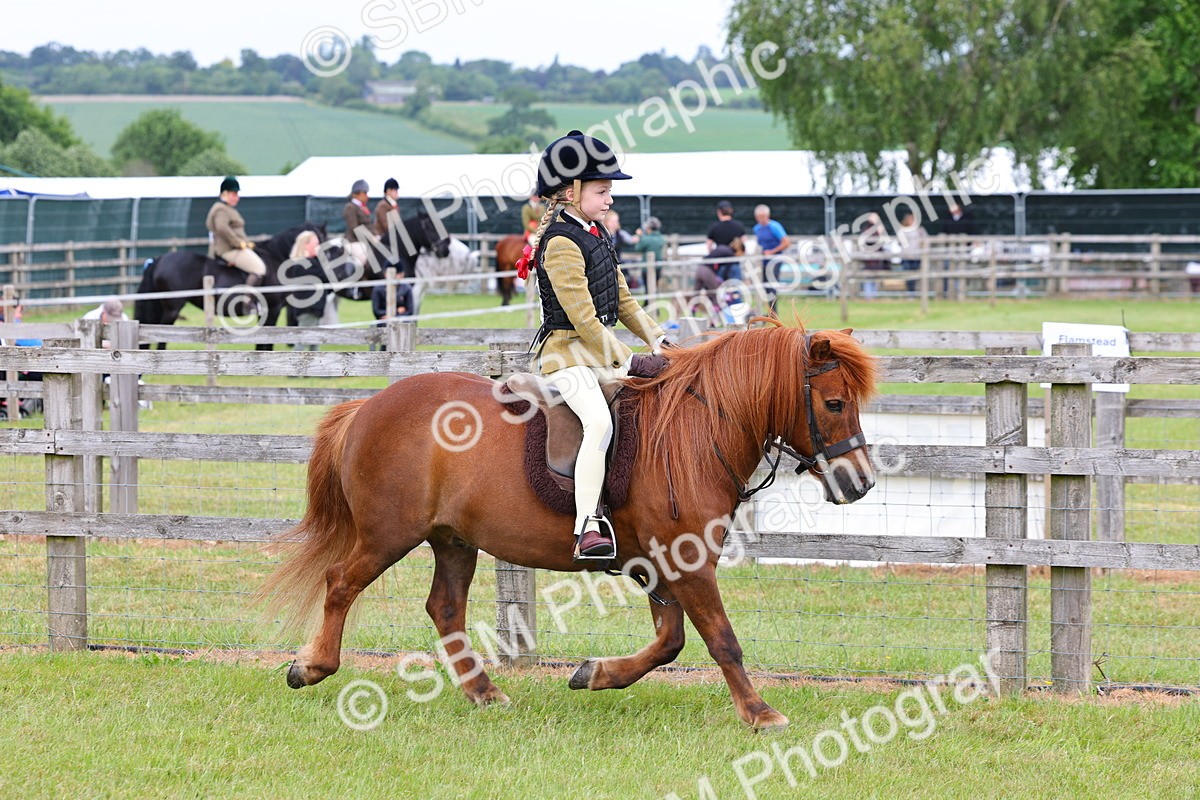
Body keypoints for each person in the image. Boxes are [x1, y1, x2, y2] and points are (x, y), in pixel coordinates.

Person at [514, 129, 667, 561]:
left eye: (609, 191)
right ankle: (586, 527)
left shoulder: (597, 234)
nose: (610, 199)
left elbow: (623, 301)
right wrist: (631, 357)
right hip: (567, 357)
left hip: (599, 355)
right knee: (598, 422)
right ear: (570, 191)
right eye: (602, 191)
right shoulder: (561, 243)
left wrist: (660, 340)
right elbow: (583, 319)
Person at [206, 176, 266, 288]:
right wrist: (239, 243)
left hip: (235, 248)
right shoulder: (221, 209)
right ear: (224, 194)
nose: (237, 198)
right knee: (259, 269)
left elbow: (237, 231)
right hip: (229, 250)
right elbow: (222, 228)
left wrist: (247, 242)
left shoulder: (228, 208)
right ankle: (247, 302)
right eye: (234, 194)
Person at [287, 231, 328, 352]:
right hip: (308, 309)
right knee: (302, 342)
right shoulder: (304, 264)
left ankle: (315, 368)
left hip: (315, 308)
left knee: (314, 342)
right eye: (316, 244)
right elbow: (326, 276)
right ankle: (293, 367)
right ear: (305, 245)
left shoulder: (310, 262)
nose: (318, 246)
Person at [753, 204, 792, 309]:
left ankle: (774, 314)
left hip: (775, 261)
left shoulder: (775, 226)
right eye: (759, 217)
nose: (761, 220)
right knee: (765, 287)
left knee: (772, 287)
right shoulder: (756, 229)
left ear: (768, 216)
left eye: (763, 217)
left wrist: (772, 252)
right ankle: (769, 312)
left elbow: (786, 242)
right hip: (763, 262)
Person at [342, 179, 373, 271]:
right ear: (357, 194)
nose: (367, 196)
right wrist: (370, 237)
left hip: (366, 240)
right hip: (354, 241)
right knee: (363, 256)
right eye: (365, 193)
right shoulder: (350, 207)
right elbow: (354, 228)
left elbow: (370, 225)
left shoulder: (362, 207)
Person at [373, 177, 401, 269]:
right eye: (395, 190)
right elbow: (387, 226)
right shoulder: (383, 205)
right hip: (382, 236)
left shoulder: (393, 205)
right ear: (388, 191)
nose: (397, 192)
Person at [898, 210, 928, 293]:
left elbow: (926, 240)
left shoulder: (920, 230)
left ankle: (914, 292)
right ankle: (910, 292)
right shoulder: (903, 230)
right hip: (906, 256)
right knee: (908, 274)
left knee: (916, 275)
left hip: (917, 256)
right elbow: (900, 241)